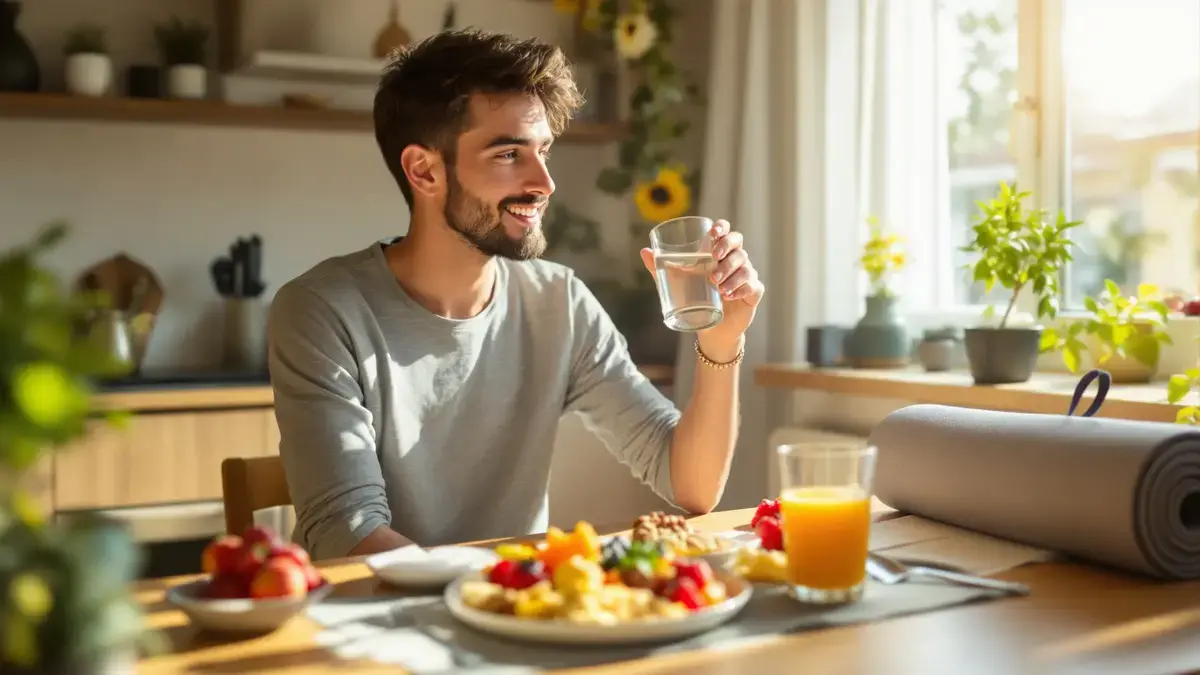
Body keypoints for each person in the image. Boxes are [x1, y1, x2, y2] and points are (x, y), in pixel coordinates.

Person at [266, 29, 765, 561]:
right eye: (509, 154)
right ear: (424, 170)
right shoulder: (323, 311)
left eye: (543, 150)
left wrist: (721, 340)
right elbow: (347, 532)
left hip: (514, 603)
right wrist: (503, 586)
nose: (544, 182)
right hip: (379, 606)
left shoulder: (559, 302)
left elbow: (691, 484)